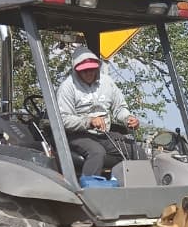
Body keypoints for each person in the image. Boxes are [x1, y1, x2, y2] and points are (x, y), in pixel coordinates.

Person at [55, 48, 139, 177]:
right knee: (97, 152)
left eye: (92, 69)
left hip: (103, 134)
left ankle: (140, 183)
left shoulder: (107, 82)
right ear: (76, 70)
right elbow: (63, 119)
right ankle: (89, 185)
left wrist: (128, 118)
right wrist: (89, 122)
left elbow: (119, 108)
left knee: (134, 150)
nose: (89, 73)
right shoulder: (67, 87)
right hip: (77, 135)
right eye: (84, 70)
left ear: (97, 67)